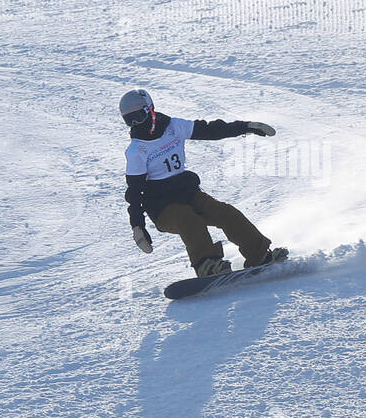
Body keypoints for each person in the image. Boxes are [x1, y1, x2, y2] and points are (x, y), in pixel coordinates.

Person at [120, 89, 287, 277]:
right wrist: (137, 226)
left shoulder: (173, 126)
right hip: (161, 207)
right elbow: (134, 192)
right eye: (129, 120)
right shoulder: (136, 150)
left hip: (188, 193)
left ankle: (259, 254)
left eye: (139, 116)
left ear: (150, 109)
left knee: (224, 212)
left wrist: (245, 126)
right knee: (188, 218)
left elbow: (210, 130)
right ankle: (206, 264)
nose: (136, 124)